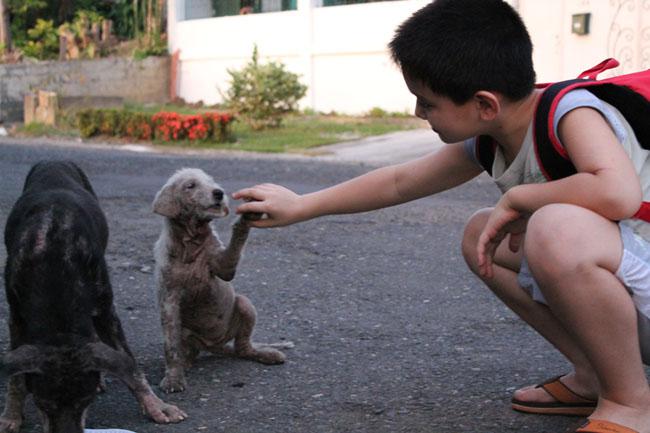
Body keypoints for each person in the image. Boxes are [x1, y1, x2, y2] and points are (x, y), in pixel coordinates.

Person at [232, 1, 650, 432]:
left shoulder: (572, 114)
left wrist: (521, 198)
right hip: (633, 291)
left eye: (427, 103)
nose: (418, 113)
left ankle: (629, 403)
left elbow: (617, 193)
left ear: (485, 104)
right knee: (479, 233)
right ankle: (594, 376)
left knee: (551, 228)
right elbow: (400, 181)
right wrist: (302, 205)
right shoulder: (492, 135)